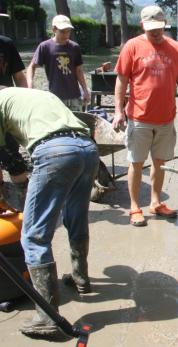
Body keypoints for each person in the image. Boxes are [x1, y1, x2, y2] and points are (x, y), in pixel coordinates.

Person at [0, 87, 99, 338]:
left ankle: (48, 317)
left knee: (33, 237)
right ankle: (80, 279)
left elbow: (4, 151)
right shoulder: (35, 95)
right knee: (75, 217)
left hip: (55, 152)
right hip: (88, 148)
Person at [112, 5, 178, 227]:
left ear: (164, 24)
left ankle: (156, 202)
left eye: (159, 28)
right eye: (151, 29)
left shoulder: (175, 48)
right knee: (136, 163)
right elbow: (121, 80)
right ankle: (134, 207)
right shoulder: (132, 46)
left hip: (166, 118)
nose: (156, 33)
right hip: (139, 117)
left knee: (160, 165)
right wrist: (118, 111)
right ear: (142, 25)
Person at [26, 15, 90, 111]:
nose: (66, 35)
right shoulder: (45, 47)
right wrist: (30, 85)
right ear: (54, 29)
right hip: (55, 97)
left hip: (74, 96)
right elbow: (31, 67)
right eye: (63, 32)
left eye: (68, 31)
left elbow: (78, 71)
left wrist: (85, 90)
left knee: (76, 124)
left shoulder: (74, 47)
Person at [0, 21, 30, 208]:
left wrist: (24, 104)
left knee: (12, 155)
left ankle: (26, 202)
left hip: (6, 110)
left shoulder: (6, 44)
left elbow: (19, 77)